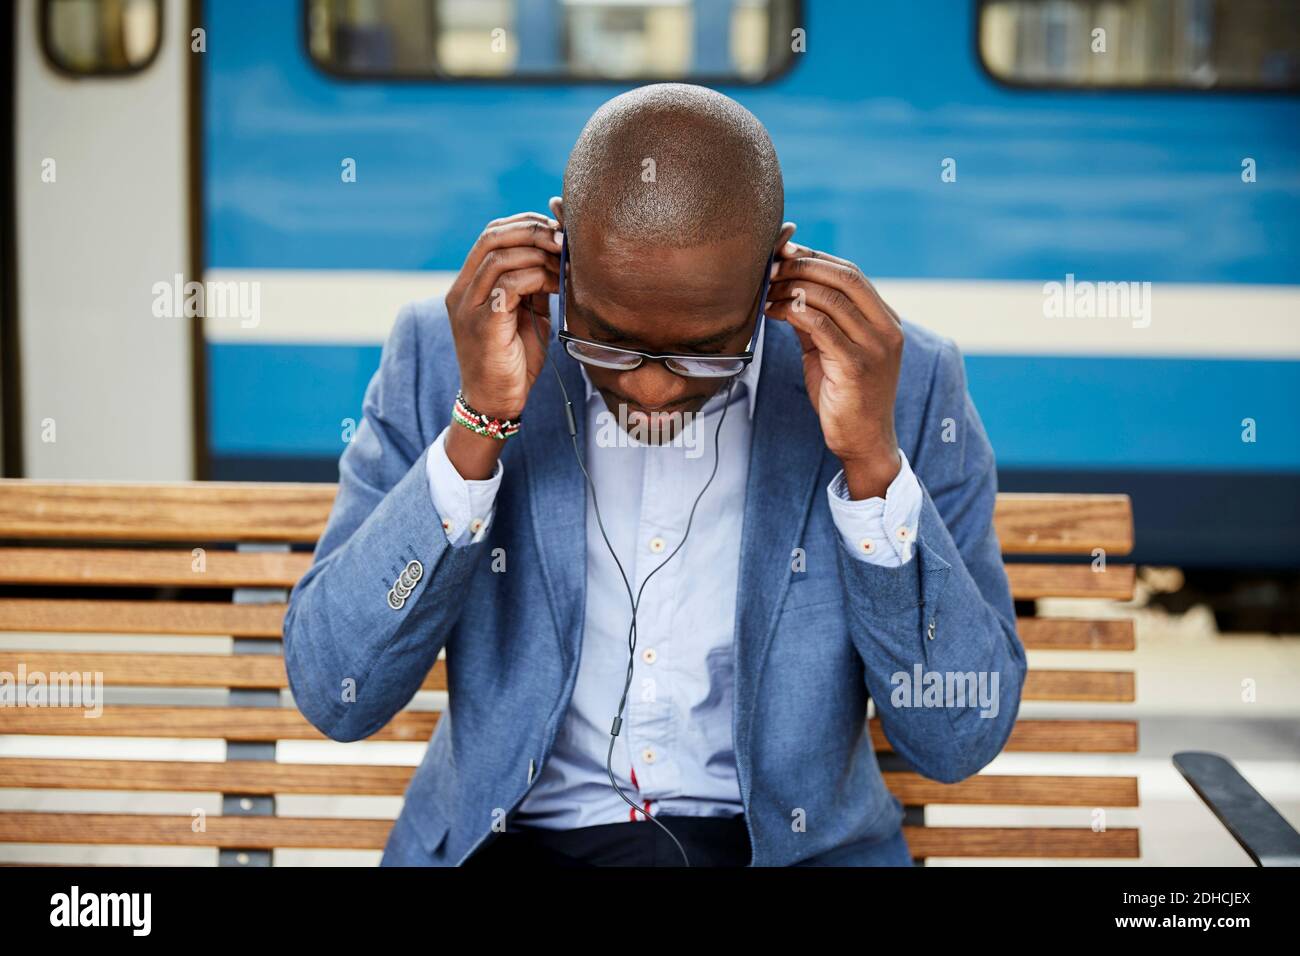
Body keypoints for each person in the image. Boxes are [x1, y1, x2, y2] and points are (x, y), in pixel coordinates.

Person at [283, 83, 1026, 867]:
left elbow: (958, 738)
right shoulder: (448, 354)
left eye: (704, 352)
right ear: (560, 252)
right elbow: (340, 692)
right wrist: (481, 425)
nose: (653, 387)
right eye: (607, 344)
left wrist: (872, 465)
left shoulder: (901, 385)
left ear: (775, 274)